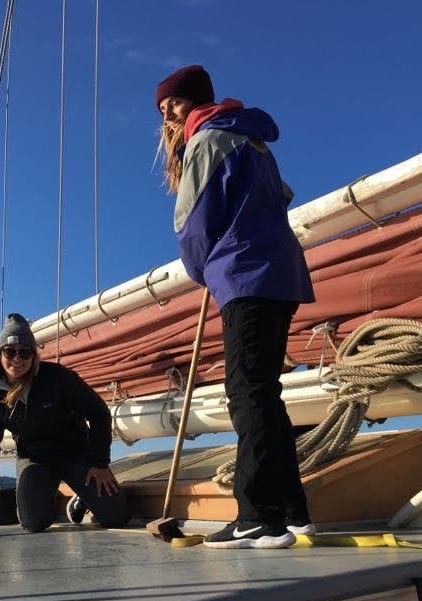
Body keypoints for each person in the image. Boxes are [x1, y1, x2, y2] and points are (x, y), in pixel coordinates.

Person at [155, 65, 315, 549]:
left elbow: (194, 224)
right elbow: (278, 200)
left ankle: (256, 516)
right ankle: (291, 513)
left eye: (175, 104)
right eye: (163, 110)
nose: (169, 114)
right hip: (280, 272)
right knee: (264, 394)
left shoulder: (207, 141)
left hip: (244, 275)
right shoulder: (251, 140)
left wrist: (205, 270)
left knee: (247, 394)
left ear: (197, 99)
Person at [0, 313, 131, 533]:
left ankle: (83, 495)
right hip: (35, 458)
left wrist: (99, 463)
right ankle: (51, 492)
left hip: (76, 453)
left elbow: (98, 413)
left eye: (25, 352)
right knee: (33, 524)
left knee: (117, 516)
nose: (17, 359)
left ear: (34, 356)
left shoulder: (58, 378)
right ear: (0, 354)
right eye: (10, 352)